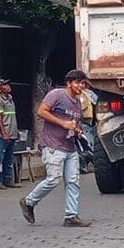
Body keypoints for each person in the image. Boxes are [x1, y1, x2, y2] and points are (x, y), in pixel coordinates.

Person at [19, 70, 91, 227]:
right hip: (53, 146)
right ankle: (28, 201)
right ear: (69, 83)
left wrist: (77, 130)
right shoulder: (57, 95)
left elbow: (75, 121)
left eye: (83, 83)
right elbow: (41, 111)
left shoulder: (77, 102)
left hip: (70, 147)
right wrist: (63, 123)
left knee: (73, 181)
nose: (81, 86)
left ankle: (71, 216)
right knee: (53, 179)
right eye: (78, 82)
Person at [0, 77, 20, 190]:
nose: (8, 86)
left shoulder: (10, 100)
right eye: (4, 85)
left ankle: (7, 179)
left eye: (8, 84)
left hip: (11, 134)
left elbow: (12, 118)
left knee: (9, 158)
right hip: (3, 135)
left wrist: (15, 132)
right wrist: (4, 133)